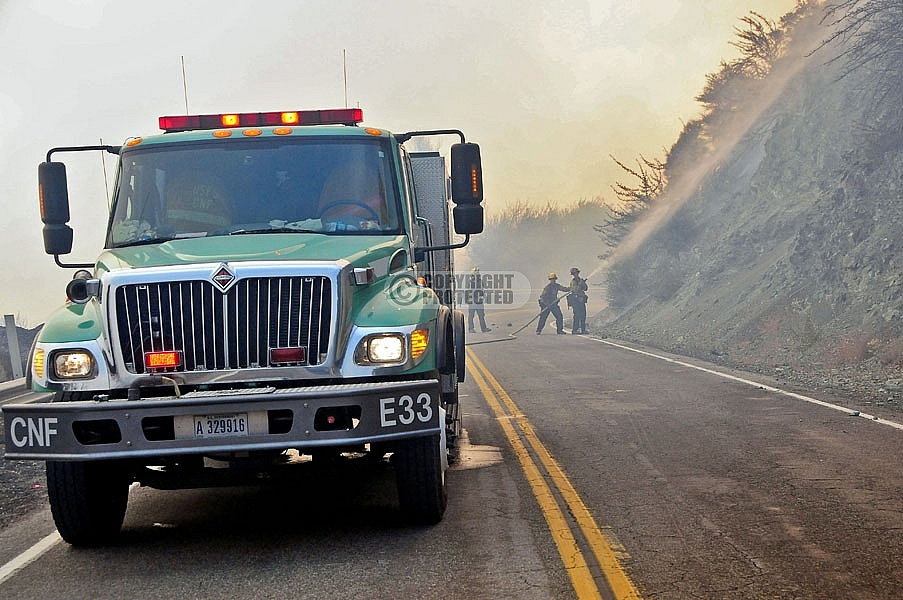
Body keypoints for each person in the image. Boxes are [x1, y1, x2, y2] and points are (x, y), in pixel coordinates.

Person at [467, 267, 491, 333]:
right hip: (473, 302)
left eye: (478, 273)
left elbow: (483, 290)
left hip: (479, 301)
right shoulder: (470, 282)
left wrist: (485, 298)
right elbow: (468, 292)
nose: (478, 274)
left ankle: (484, 328)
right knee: (471, 315)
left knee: (481, 315)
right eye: (476, 273)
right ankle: (471, 328)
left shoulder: (480, 281)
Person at [567, 267, 588, 334]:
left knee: (583, 315)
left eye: (577, 273)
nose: (576, 274)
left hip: (581, 301)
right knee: (576, 315)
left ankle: (583, 329)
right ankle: (575, 330)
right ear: (573, 274)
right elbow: (575, 290)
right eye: (574, 273)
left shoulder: (580, 280)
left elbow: (585, 288)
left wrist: (583, 283)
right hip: (576, 301)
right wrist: (579, 285)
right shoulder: (573, 282)